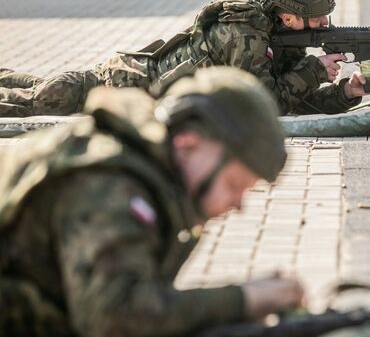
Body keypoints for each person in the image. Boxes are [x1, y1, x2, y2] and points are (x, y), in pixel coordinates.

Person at [0, 67, 305, 336]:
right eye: (234, 184)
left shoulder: (141, 172)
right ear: (188, 146)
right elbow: (113, 318)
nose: (239, 205)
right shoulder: (109, 185)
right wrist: (246, 298)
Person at [0, 0, 370, 118]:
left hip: (140, 97)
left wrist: (346, 91)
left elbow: (299, 103)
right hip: (121, 86)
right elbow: (265, 105)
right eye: (316, 18)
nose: (325, 24)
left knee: (34, 86)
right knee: (43, 100)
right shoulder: (243, 32)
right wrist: (316, 69)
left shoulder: (281, 40)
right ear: (286, 13)